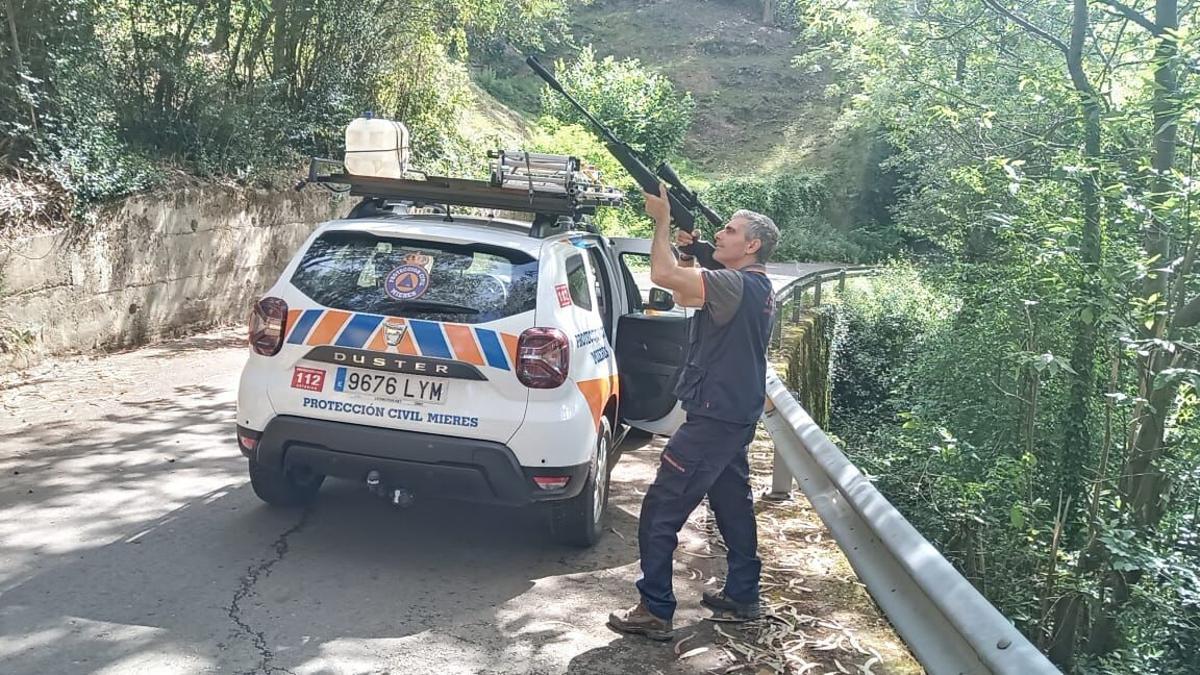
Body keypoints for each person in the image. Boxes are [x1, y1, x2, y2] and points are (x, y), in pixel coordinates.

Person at [608, 184, 780, 641]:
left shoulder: (734, 283)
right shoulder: (756, 286)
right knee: (732, 505)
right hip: (736, 414)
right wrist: (690, 256)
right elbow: (686, 295)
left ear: (752, 245)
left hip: (714, 418)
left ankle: (655, 608)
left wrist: (661, 220)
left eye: (730, 230)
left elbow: (662, 277)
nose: (720, 234)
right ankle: (743, 594)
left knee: (660, 509)